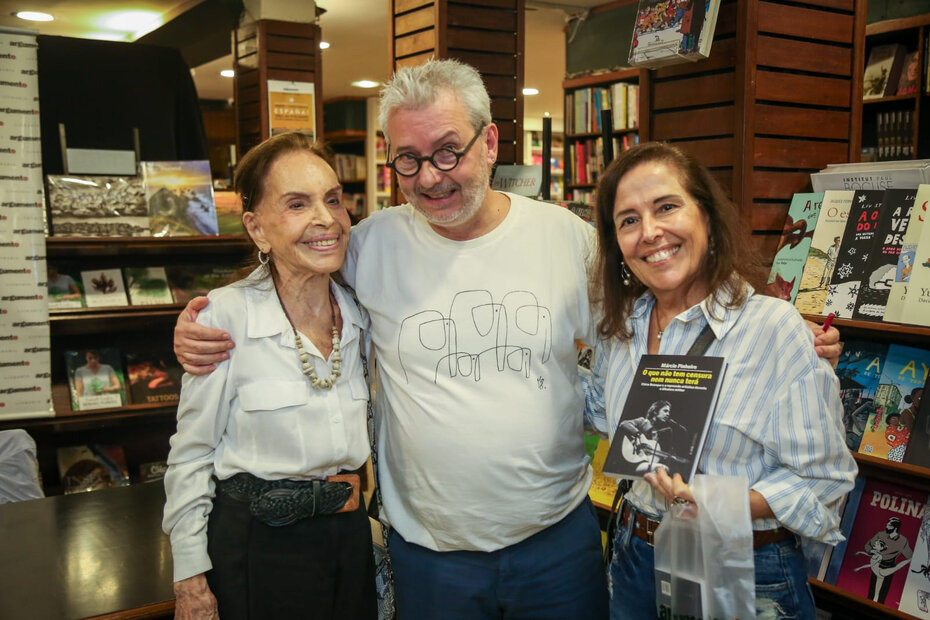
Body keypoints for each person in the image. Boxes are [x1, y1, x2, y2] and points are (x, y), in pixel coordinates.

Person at [172, 60, 843, 619]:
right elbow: (296, 264)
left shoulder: (569, 240)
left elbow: (661, 307)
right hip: (429, 556)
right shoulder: (368, 245)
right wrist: (208, 318)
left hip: (559, 546)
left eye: (447, 151)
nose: (430, 176)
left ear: (490, 143)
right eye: (409, 160)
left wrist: (786, 334)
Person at [584, 142, 857, 620]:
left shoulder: (773, 328)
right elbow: (600, 417)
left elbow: (824, 480)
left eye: (666, 207)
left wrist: (716, 500)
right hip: (634, 550)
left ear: (706, 217)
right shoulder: (621, 327)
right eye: (628, 220)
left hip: (740, 561)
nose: (650, 232)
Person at [162, 132, 376, 620]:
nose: (325, 219)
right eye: (297, 204)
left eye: (334, 200)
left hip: (349, 539)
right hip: (258, 546)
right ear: (257, 228)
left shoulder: (363, 310)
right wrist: (190, 577)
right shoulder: (225, 317)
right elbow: (191, 454)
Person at [616, 400, 687, 474]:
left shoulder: (662, 433)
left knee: (668, 470)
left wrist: (670, 456)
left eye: (669, 412)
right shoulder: (643, 422)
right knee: (663, 469)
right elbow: (624, 424)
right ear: (655, 412)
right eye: (665, 411)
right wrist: (640, 434)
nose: (668, 414)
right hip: (631, 458)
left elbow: (657, 455)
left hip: (645, 462)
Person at [862, 517, 913, 603]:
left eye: (889, 525)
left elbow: (910, 556)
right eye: (887, 524)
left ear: (895, 528)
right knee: (871, 594)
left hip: (889, 567)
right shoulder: (880, 535)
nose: (886, 526)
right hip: (876, 564)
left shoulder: (902, 540)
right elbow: (868, 545)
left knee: (882, 596)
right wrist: (871, 551)